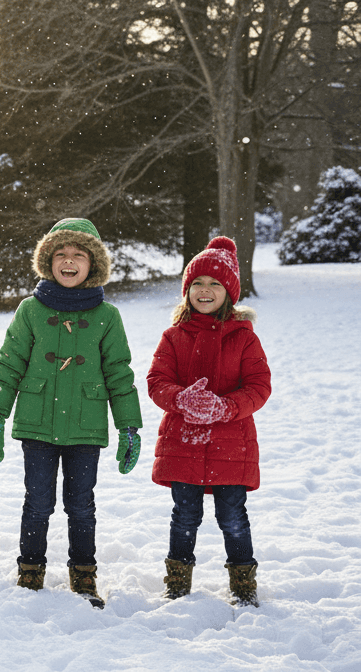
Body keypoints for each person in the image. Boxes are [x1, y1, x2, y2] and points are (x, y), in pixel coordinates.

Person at [0, 217, 143, 608]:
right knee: (37, 502)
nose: (68, 262)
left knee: (81, 504)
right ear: (47, 261)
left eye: (79, 255)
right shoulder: (30, 310)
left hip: (86, 427)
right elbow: (9, 365)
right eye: (60, 254)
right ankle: (30, 572)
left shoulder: (108, 316)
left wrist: (129, 427)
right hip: (37, 423)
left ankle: (83, 576)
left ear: (94, 264)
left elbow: (120, 373)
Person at [147, 237, 270, 607]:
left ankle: (243, 581)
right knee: (184, 516)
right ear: (187, 291)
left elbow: (259, 387)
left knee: (233, 516)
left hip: (231, 447)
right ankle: (178, 579)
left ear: (229, 292)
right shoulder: (173, 336)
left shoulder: (244, 339)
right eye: (198, 283)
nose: (205, 290)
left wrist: (225, 407)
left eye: (215, 284)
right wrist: (180, 399)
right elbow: (157, 381)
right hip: (183, 443)